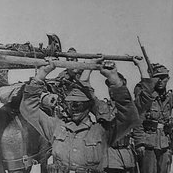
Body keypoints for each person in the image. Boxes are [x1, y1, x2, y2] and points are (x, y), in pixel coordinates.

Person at [19, 60, 150, 173]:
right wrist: (42, 74)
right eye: (71, 104)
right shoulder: (56, 126)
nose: (74, 108)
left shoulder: (102, 131)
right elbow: (28, 108)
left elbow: (129, 118)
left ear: (89, 106)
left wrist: (114, 79)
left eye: (79, 104)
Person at [133, 63, 173, 173]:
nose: (160, 81)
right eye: (156, 78)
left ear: (168, 78)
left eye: (163, 78)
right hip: (148, 143)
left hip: (164, 143)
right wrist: (139, 143)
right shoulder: (146, 96)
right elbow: (138, 120)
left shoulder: (169, 98)